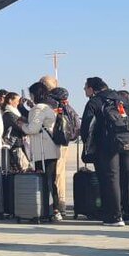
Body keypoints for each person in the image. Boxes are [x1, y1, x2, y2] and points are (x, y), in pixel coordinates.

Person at [80, 77, 129, 226]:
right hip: (128, 143)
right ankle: (128, 213)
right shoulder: (121, 98)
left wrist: (89, 145)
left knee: (111, 179)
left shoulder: (94, 102)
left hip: (107, 145)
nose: (84, 90)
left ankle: (114, 217)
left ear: (91, 89)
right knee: (126, 177)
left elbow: (86, 128)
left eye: (85, 87)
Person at [22, 82, 64, 221]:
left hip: (43, 150)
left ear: (35, 94)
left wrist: (22, 125)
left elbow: (33, 129)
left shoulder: (38, 108)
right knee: (51, 180)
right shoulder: (48, 108)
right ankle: (55, 209)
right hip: (51, 149)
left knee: (44, 181)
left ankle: (46, 209)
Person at [48, 84, 80, 217]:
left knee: (57, 175)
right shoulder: (69, 108)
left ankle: (59, 205)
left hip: (58, 143)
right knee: (59, 174)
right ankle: (61, 204)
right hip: (65, 143)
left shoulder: (56, 109)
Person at [1, 92, 29, 172]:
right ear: (10, 100)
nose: (18, 102)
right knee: (21, 168)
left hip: (17, 144)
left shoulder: (13, 113)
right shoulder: (9, 114)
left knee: (20, 168)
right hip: (15, 145)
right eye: (17, 100)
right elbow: (20, 126)